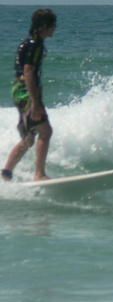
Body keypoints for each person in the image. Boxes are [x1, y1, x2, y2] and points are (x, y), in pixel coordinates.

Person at [2, 9, 57, 182]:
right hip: (26, 91)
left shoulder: (27, 43)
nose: (54, 29)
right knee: (46, 131)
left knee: (29, 137)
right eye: (52, 25)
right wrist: (35, 102)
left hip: (18, 90)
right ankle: (39, 174)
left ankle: (6, 174)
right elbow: (28, 71)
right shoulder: (36, 45)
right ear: (43, 27)